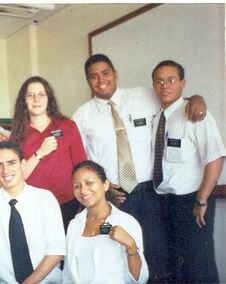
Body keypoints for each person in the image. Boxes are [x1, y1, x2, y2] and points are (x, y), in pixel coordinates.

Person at [72, 54, 206, 282]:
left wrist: (196, 98)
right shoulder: (81, 115)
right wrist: (103, 190)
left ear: (115, 74)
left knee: (156, 253)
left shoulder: (142, 96)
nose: (100, 79)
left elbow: (172, 99)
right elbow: (84, 163)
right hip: (115, 196)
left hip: (150, 195)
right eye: (93, 76)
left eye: (105, 73)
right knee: (115, 252)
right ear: (88, 81)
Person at [151, 60, 225, 283]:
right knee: (174, 266)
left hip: (192, 202)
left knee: (198, 266)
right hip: (164, 203)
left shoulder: (195, 114)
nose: (165, 86)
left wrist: (202, 200)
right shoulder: (157, 119)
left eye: (171, 80)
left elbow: (215, 157)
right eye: (159, 81)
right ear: (153, 85)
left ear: (183, 83)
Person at [0, 141, 66, 284]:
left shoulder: (45, 198)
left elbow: (56, 252)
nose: (5, 170)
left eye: (11, 163)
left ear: (23, 164)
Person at [10, 76, 86, 230]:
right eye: (30, 95)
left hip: (69, 204)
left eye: (41, 94)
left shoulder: (67, 126)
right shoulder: (17, 135)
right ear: (24, 101)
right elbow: (16, 176)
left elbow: (81, 166)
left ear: (48, 98)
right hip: (33, 206)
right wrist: (39, 153)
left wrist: (83, 201)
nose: (36, 99)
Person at [63, 160, 148, 284]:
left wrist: (131, 246)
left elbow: (139, 280)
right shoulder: (74, 225)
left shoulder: (125, 222)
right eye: (77, 186)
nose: (83, 190)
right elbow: (67, 275)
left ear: (105, 185)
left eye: (89, 183)